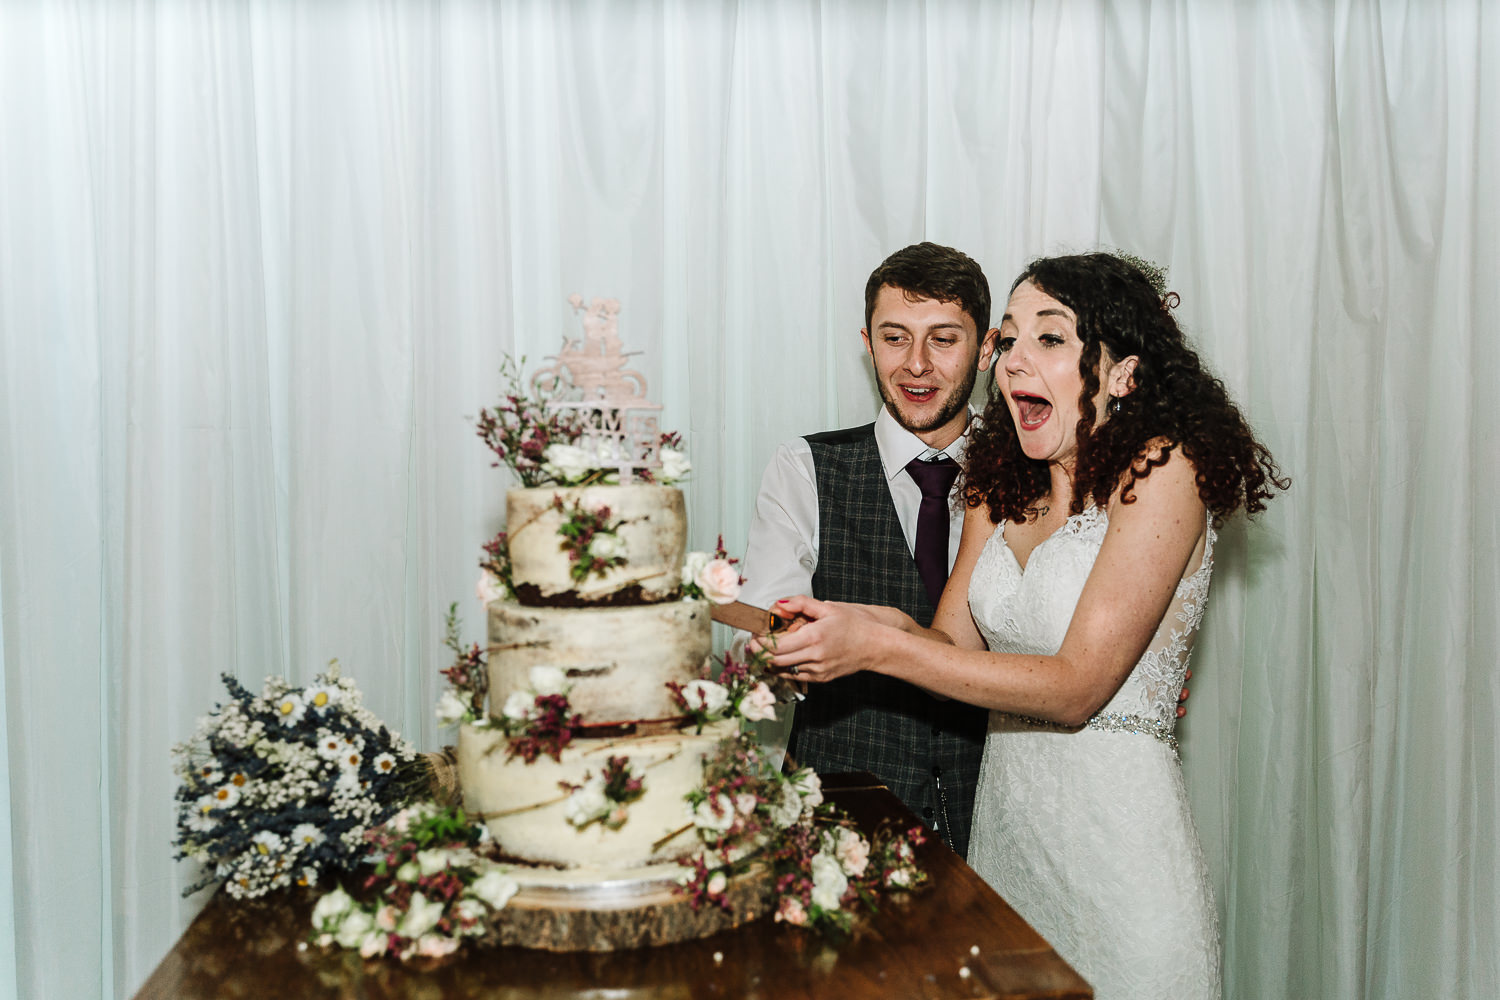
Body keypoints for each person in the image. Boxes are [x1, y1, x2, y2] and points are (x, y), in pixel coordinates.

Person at [759, 253, 1286, 999]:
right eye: (1009, 340)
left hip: (1120, 856)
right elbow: (946, 646)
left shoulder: (1166, 470)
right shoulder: (997, 487)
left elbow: (1076, 688)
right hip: (1008, 847)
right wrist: (861, 619)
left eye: (1050, 339)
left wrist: (875, 646)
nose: (1013, 362)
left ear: (1122, 372)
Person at [738, 242, 997, 857]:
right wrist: (778, 647)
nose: (916, 365)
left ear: (986, 349)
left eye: (943, 339)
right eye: (894, 337)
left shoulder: (1035, 472)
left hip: (999, 812)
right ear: (867, 342)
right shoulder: (804, 468)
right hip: (841, 815)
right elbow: (766, 632)